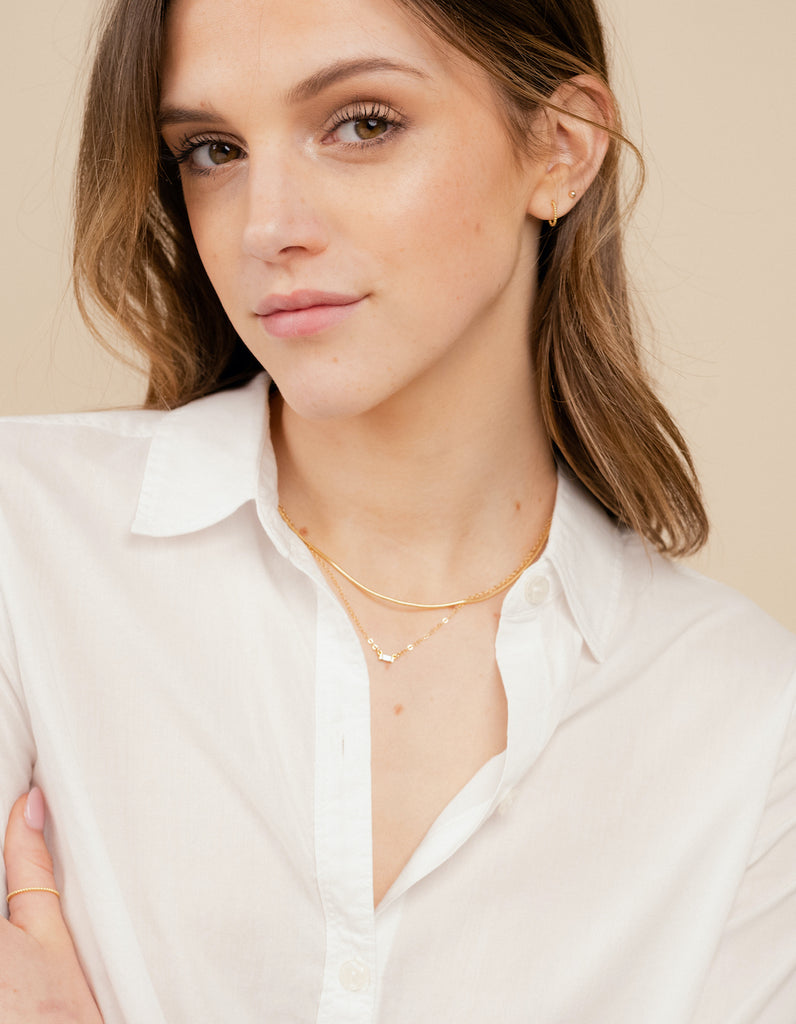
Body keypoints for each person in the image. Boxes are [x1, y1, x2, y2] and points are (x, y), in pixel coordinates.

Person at [1, 0, 794, 1020]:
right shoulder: (26, 546)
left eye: (362, 122)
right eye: (212, 149)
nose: (267, 226)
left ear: (560, 147)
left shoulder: (747, 726)